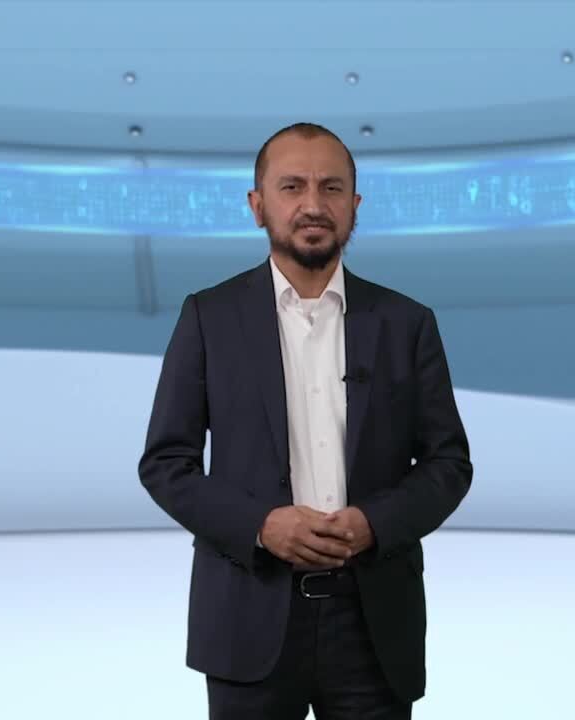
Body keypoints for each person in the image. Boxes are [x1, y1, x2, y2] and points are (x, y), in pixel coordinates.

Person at [138, 122, 473, 719]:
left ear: (355, 206)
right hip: (248, 618)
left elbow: (448, 463)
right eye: (292, 186)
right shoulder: (209, 317)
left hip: (374, 625)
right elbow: (166, 464)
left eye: (331, 188)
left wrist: (374, 523)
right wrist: (261, 526)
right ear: (257, 205)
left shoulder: (407, 323)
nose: (313, 205)